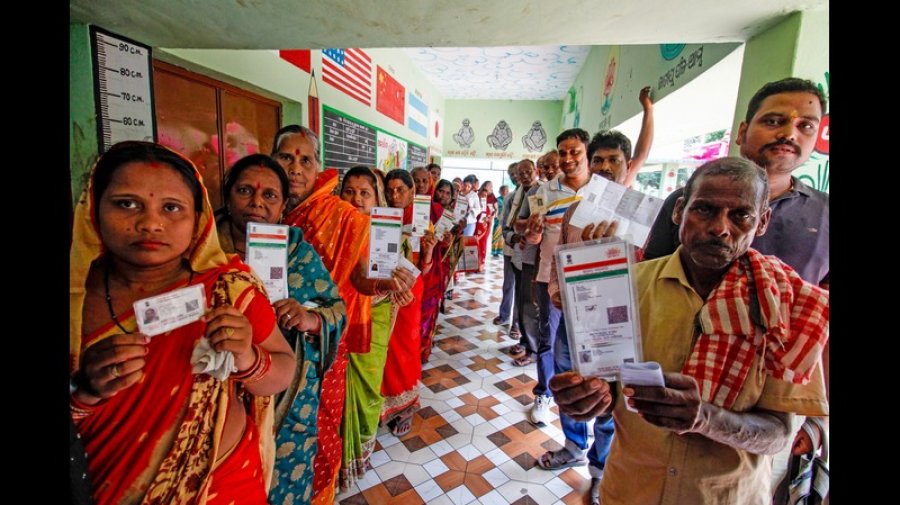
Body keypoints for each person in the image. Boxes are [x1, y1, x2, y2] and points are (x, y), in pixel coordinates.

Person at [550, 157, 829, 505]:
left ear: (762, 222)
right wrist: (591, 399)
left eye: (740, 215)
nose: (719, 228)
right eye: (704, 210)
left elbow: (777, 436)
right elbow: (609, 393)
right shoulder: (625, 287)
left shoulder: (786, 304)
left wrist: (705, 418)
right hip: (630, 491)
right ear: (679, 211)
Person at [70, 141, 295, 505]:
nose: (150, 223)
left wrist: (249, 359)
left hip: (222, 484)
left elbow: (283, 370)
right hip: (105, 483)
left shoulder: (228, 288)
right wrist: (84, 392)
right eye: (127, 204)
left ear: (197, 219)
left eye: (171, 208)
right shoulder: (75, 300)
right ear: (94, 209)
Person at [642, 78, 830, 464]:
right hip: (659, 408)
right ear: (743, 130)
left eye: (804, 125)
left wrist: (816, 418)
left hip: (764, 412)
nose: (721, 230)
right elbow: (648, 288)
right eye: (775, 120)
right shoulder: (683, 200)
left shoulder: (825, 216)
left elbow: (819, 322)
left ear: (761, 222)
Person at [274, 125, 413, 505]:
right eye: (286, 157)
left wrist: (383, 283)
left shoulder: (340, 216)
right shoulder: (266, 208)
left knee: (316, 431)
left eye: (305, 160)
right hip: (269, 344)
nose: (295, 168)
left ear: (318, 166)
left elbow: (362, 277)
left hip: (322, 344)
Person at [539, 88, 655, 504]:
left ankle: (601, 467)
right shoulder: (575, 209)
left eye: (614, 161)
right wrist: (555, 291)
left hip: (623, 326)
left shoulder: (638, 211)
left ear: (627, 166)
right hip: (574, 318)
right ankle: (572, 446)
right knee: (571, 385)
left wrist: (647, 110)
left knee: (610, 398)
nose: (605, 167)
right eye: (599, 160)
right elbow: (557, 258)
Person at [213, 153, 346, 505]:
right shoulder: (201, 251)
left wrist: (308, 318)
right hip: (215, 402)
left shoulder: (298, 253)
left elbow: (336, 309)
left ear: (284, 205)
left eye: (269, 196)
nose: (257, 202)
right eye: (245, 191)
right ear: (227, 195)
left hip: (288, 404)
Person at [336, 165, 412, 489]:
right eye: (349, 192)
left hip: (375, 317)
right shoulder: (332, 230)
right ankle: (337, 459)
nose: (356, 200)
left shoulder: (385, 232)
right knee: (339, 392)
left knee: (367, 383)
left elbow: (393, 278)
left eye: (364, 193)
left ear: (376, 198)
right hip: (340, 318)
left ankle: (360, 452)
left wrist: (397, 287)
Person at [519, 129, 593, 425]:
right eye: (562, 152)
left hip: (591, 282)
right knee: (548, 340)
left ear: (586, 153)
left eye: (574, 152)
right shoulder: (543, 192)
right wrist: (533, 231)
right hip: (550, 278)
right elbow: (535, 238)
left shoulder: (600, 190)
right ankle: (544, 394)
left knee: (584, 345)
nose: (567, 159)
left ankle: (586, 402)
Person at [380, 169, 438, 436]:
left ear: (412, 192)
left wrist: (427, 251)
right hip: (381, 292)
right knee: (383, 349)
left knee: (404, 347)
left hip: (409, 294)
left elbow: (422, 268)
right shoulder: (378, 216)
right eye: (390, 190)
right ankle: (381, 404)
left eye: (400, 190)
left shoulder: (420, 221)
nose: (394, 196)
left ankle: (405, 405)